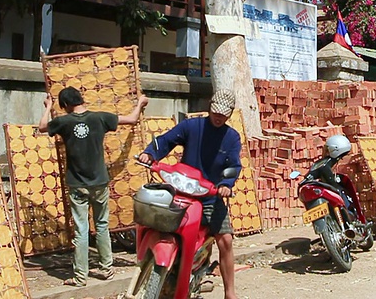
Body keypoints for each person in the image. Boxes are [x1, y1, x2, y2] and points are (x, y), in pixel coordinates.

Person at [39, 86, 149, 287]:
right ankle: (107, 269)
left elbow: (42, 126)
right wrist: (140, 103)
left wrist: (47, 106)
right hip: (99, 182)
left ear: (64, 105)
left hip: (77, 184)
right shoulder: (100, 118)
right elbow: (131, 119)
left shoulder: (63, 122)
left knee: (82, 230)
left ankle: (80, 277)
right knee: (102, 225)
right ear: (81, 99)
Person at [138, 89, 242, 299]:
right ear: (210, 105)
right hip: (181, 190)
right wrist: (150, 153)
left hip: (210, 196)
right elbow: (166, 141)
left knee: (226, 241)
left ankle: (230, 292)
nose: (219, 116)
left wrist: (226, 184)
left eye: (224, 113)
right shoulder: (191, 126)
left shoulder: (232, 137)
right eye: (216, 111)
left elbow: (234, 165)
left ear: (230, 112)